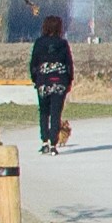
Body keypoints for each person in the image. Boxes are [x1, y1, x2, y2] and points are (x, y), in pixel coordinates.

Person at [30, 13, 74, 153]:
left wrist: (35, 79)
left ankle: (44, 142)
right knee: (56, 113)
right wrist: (69, 81)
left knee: (44, 112)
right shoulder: (63, 44)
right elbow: (69, 64)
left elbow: (33, 63)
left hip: (43, 81)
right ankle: (54, 144)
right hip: (59, 81)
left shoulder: (39, 43)